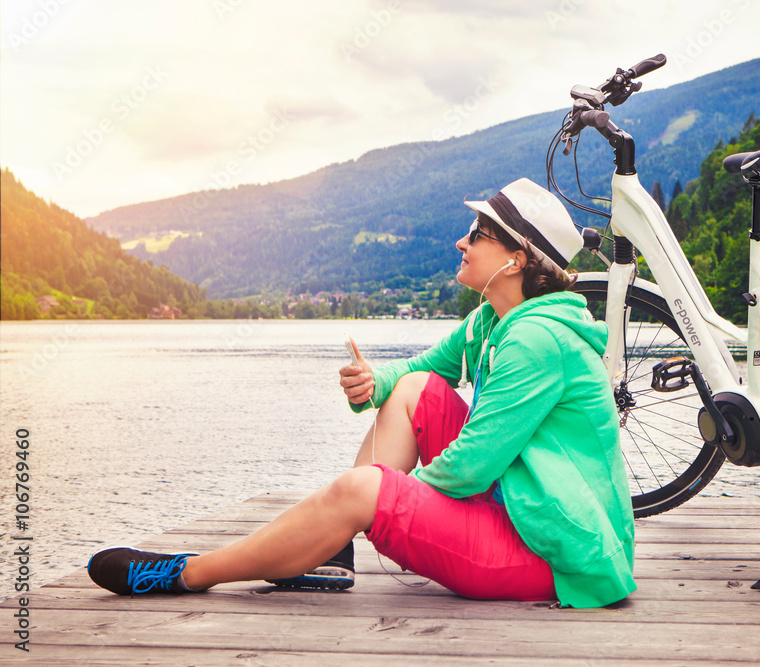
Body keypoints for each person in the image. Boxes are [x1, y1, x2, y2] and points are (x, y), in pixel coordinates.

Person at [87, 178, 637, 608]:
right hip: (529, 508)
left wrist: (385, 501)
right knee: (419, 390)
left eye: (479, 233)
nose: (462, 241)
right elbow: (420, 373)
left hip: (559, 553)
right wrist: (376, 383)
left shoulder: (535, 340)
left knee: (362, 491)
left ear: (517, 258)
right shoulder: (492, 322)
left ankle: (187, 573)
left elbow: (471, 469)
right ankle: (330, 551)